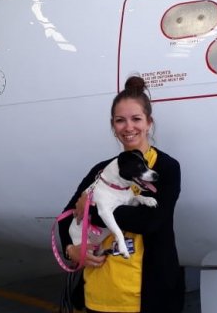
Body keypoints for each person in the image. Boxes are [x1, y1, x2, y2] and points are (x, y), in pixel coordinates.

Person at [58, 76, 184, 313]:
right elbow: (67, 218)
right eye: (120, 121)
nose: (128, 127)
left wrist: (93, 210)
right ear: (113, 127)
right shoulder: (101, 171)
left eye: (136, 119)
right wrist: (72, 250)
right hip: (99, 296)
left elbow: (151, 221)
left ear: (149, 122)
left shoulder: (166, 167)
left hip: (146, 297)